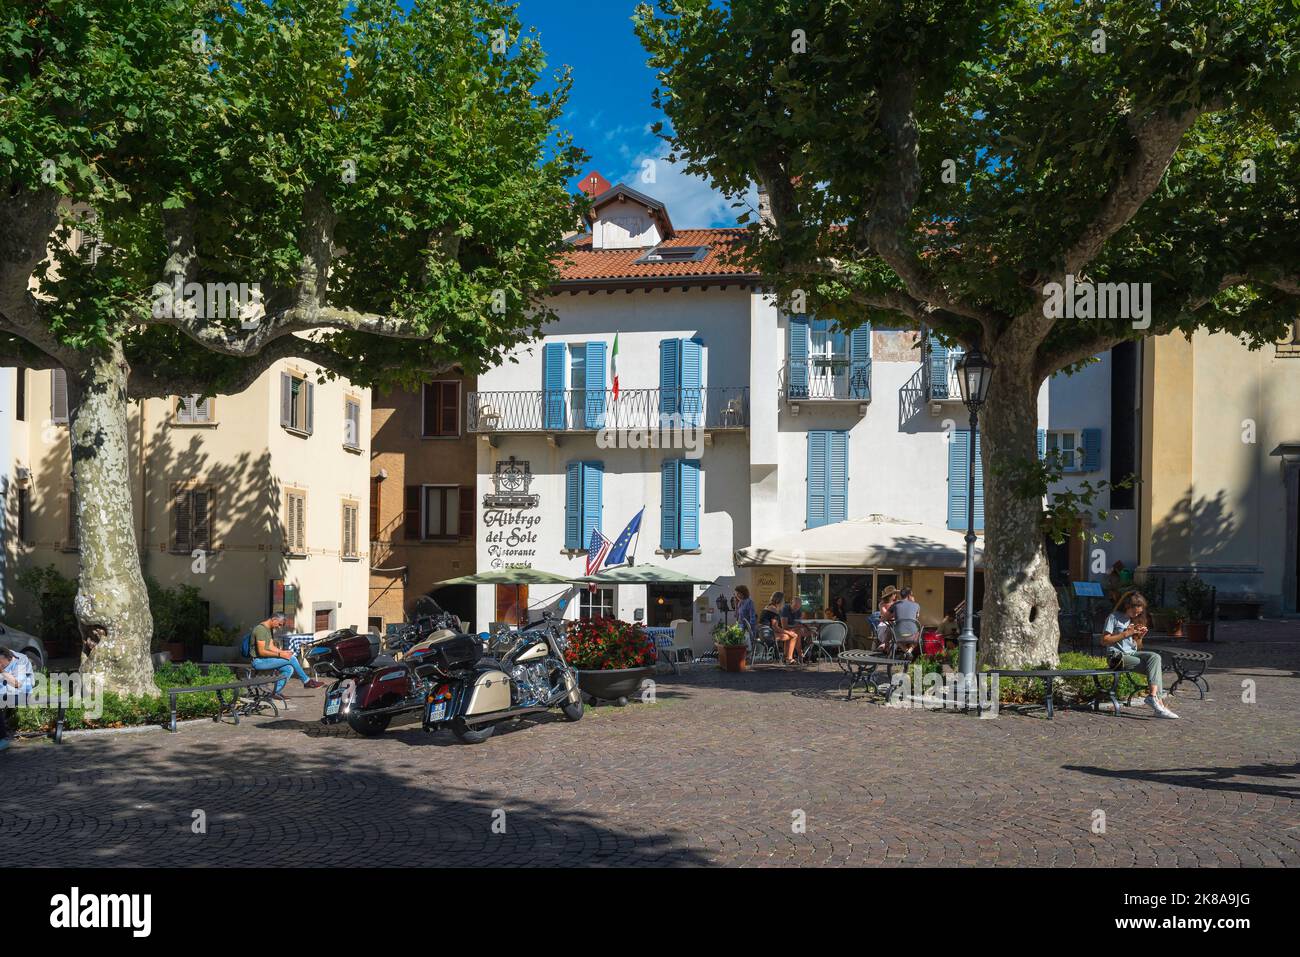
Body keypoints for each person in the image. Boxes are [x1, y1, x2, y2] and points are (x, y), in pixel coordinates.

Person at [1102, 591, 1178, 719]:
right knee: (1154, 670)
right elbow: (1104, 640)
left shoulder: (1134, 620)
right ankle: (1160, 706)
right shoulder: (1113, 617)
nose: (1137, 614)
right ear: (1127, 606)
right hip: (1116, 657)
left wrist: (1140, 636)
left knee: (1155, 657)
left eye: (1139, 612)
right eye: (1135, 612)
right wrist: (1126, 633)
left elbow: (1136, 645)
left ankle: (1153, 697)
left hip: (1131, 654)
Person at [250, 614, 326, 695]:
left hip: (266, 660)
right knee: (292, 659)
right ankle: (307, 681)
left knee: (289, 669)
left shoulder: (268, 629)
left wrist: (283, 652)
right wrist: (280, 655)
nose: (279, 627)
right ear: (274, 619)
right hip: (258, 662)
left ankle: (275, 692)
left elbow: (271, 647)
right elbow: (262, 651)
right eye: (279, 624)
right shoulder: (260, 630)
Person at [0, 645, 35, 752]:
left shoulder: (21, 660)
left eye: (1, 663)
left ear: (9, 659)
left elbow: (17, 684)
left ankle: (2, 739)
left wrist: (1, 671)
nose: (1, 665)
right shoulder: (5, 659)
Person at [761, 592, 802, 664]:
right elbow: (775, 627)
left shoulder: (767, 607)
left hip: (761, 633)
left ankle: (786, 657)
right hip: (767, 635)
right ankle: (788, 659)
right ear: (779, 600)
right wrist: (788, 632)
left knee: (789, 635)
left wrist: (787, 632)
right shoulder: (774, 610)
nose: (783, 602)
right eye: (783, 600)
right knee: (794, 635)